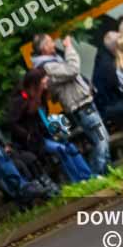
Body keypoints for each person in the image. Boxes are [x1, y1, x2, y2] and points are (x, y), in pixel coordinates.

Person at [31, 33, 111, 176]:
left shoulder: (52, 61)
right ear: (43, 48)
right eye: (50, 42)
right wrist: (69, 48)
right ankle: (97, 175)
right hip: (81, 107)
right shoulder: (47, 66)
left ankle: (107, 172)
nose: (54, 44)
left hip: (84, 104)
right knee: (101, 140)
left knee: (102, 139)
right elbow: (73, 70)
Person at [8, 69, 92, 183]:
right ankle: (77, 180)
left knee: (70, 146)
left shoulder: (42, 97)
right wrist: (28, 136)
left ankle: (87, 176)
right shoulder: (20, 101)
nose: (47, 79)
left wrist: (57, 132)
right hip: (32, 142)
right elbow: (13, 124)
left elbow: (44, 120)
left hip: (45, 134)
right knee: (60, 149)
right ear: (36, 83)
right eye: (43, 78)